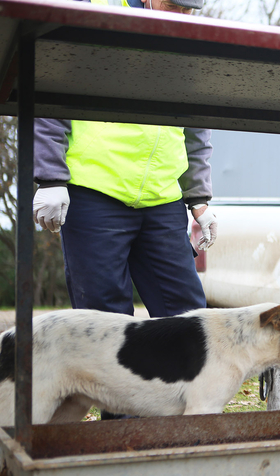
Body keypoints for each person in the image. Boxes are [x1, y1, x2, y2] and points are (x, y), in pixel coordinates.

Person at [32, 0, 215, 321]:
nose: (183, 18)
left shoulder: (189, 44)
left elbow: (197, 127)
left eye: (189, 11)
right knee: (103, 321)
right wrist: (50, 178)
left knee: (188, 317)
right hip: (96, 194)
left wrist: (199, 199)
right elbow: (51, 96)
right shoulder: (93, 15)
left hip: (163, 200)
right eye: (174, 7)